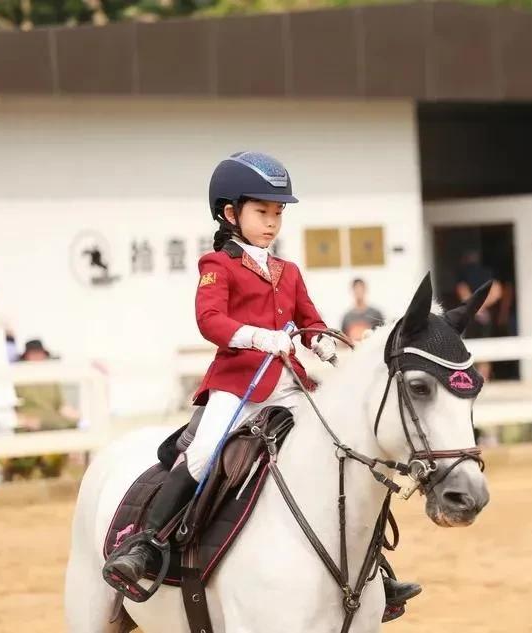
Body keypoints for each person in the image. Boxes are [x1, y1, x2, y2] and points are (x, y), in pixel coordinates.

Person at [103, 151, 421, 612]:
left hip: (288, 388)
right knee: (203, 452)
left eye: (277, 213)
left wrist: (328, 347)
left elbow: (310, 321)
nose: (271, 223)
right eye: (262, 212)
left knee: (341, 451)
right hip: (236, 388)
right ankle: (147, 543)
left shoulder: (287, 271)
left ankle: (373, 570)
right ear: (231, 214)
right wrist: (258, 337)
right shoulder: (217, 264)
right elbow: (210, 320)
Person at [1, 339, 80, 480]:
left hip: (51, 420)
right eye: (34, 354)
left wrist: (77, 417)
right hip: (29, 421)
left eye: (40, 354)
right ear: (26, 357)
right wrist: (21, 419)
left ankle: (59, 468)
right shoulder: (17, 379)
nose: (37, 358)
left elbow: (61, 405)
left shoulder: (51, 379)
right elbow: (9, 405)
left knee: (71, 424)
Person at [455, 250, 502, 380]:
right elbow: (497, 291)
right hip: (485, 316)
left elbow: (462, 291)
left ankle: (472, 380)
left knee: (468, 348)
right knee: (485, 348)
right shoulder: (488, 272)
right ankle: (483, 380)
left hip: (470, 315)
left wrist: (475, 307)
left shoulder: (463, 273)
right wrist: (484, 306)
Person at [341, 277, 385, 342]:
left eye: (361, 288)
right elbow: (343, 340)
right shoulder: (347, 317)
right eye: (356, 289)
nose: (359, 291)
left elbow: (383, 336)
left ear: (365, 290)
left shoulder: (376, 314)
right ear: (352, 291)